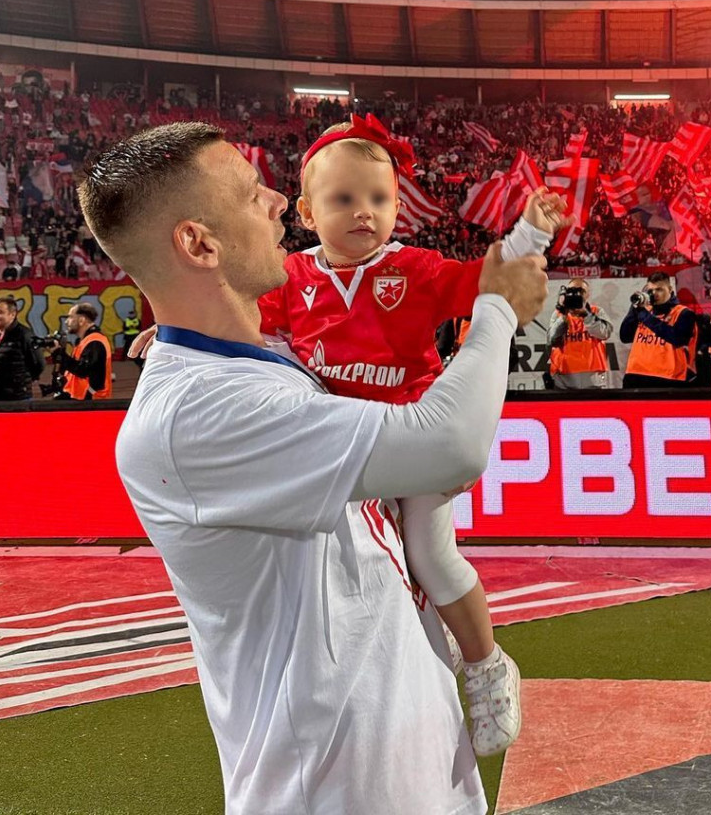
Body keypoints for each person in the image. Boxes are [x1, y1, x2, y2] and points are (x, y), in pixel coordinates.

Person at [77, 121, 547, 815]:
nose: (276, 202)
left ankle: (480, 663)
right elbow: (450, 444)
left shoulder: (275, 368)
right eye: (251, 194)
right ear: (199, 244)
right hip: (335, 797)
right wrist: (499, 311)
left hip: (412, 777)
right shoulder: (200, 411)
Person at [259, 113, 568, 756]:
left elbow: (489, 280)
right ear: (307, 214)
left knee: (429, 554)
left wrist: (533, 230)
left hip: (413, 439)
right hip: (345, 451)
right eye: (344, 198)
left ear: (398, 208)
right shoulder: (290, 278)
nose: (364, 211)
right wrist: (176, 332)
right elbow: (239, 324)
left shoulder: (416, 269)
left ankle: (487, 665)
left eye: (380, 198)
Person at [619, 271, 697, 388]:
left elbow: (677, 339)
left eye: (659, 290)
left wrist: (644, 315)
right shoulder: (644, 310)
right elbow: (625, 336)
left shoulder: (684, 313)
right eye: (650, 290)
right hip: (636, 374)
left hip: (668, 377)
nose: (654, 294)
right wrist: (633, 309)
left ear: (670, 289)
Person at [547, 277, 613, 389]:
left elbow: (604, 333)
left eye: (581, 291)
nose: (576, 295)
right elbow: (552, 340)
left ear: (588, 294)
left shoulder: (596, 311)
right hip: (564, 376)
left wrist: (586, 315)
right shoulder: (559, 314)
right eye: (571, 291)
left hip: (592, 375)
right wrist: (564, 314)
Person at [0, 295, 44, 401]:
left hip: (16, 397)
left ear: (12, 315)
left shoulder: (24, 335)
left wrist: (20, 382)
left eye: (0, 312)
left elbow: (39, 364)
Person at [53, 302, 113, 400]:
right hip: (81, 396)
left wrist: (59, 353)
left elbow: (82, 370)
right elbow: (74, 371)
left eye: (70, 317)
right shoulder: (85, 340)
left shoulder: (95, 341)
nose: (66, 322)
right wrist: (57, 354)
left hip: (92, 401)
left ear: (81, 320)